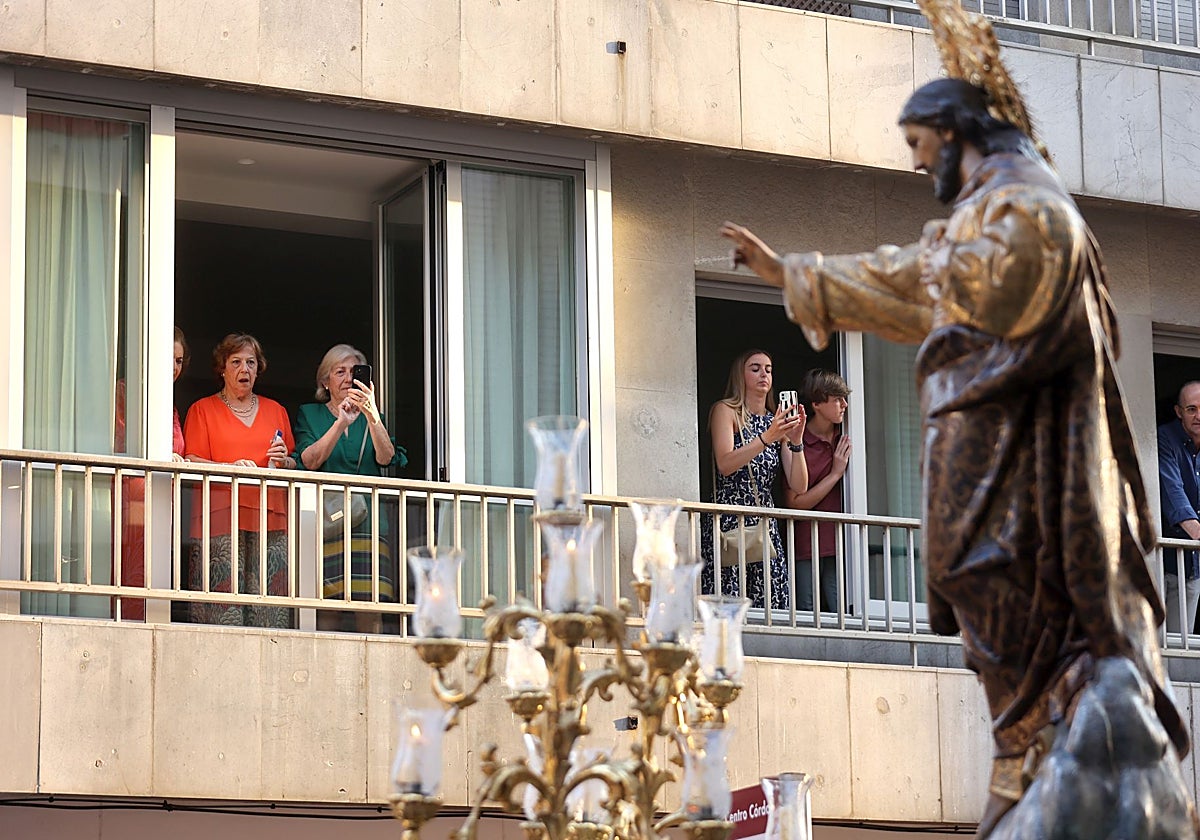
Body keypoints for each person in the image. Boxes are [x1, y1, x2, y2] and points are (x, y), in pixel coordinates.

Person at [722, 77, 1194, 837]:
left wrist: (801, 274)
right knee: (989, 615)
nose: (916, 164)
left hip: (1031, 479)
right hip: (992, 479)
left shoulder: (1028, 213)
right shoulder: (990, 214)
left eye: (917, 146)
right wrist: (795, 276)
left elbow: (920, 283)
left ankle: (1065, 739)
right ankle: (1027, 752)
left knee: (1020, 609)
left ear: (956, 132)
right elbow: (916, 289)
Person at [183, 333, 295, 628]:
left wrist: (286, 459)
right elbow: (191, 460)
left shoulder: (276, 411)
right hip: (220, 514)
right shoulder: (202, 409)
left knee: (271, 610)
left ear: (259, 369)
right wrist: (228, 466)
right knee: (223, 608)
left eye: (251, 362)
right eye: (236, 362)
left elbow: (294, 463)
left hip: (270, 517)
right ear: (222, 368)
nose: (244, 369)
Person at [293, 344, 407, 633]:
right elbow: (310, 460)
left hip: (368, 524)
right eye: (339, 371)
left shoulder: (373, 417)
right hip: (329, 522)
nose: (346, 378)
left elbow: (387, 457)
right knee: (327, 609)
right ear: (325, 381)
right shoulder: (311, 414)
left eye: (353, 372)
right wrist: (341, 421)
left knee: (369, 610)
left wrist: (371, 415)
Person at [700, 349, 808, 610]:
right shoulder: (726, 411)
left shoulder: (775, 422)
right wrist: (766, 438)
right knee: (730, 600)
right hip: (730, 518)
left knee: (770, 602)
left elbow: (799, 485)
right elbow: (725, 464)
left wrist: (796, 441)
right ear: (741, 374)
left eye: (768, 369)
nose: (764, 374)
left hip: (763, 523)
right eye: (755, 368)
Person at [113, 327, 190, 620]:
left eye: (179, 361)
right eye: (168, 357)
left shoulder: (168, 405)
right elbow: (120, 440)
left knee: (154, 576)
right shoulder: (124, 392)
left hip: (160, 504)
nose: (173, 367)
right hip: (130, 499)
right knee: (128, 574)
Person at [784, 369, 851, 613]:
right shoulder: (796, 440)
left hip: (844, 541)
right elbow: (794, 503)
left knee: (842, 613)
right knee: (807, 613)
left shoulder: (845, 435)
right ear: (817, 404)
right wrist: (835, 474)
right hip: (808, 541)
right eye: (836, 399)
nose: (844, 405)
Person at [1158, 380, 1200, 636]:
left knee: (1183, 644)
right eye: (1192, 409)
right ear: (1178, 412)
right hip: (1165, 563)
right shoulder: (1165, 437)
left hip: (1194, 567)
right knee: (1166, 645)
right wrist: (1196, 531)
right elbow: (1172, 489)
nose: (1199, 416)